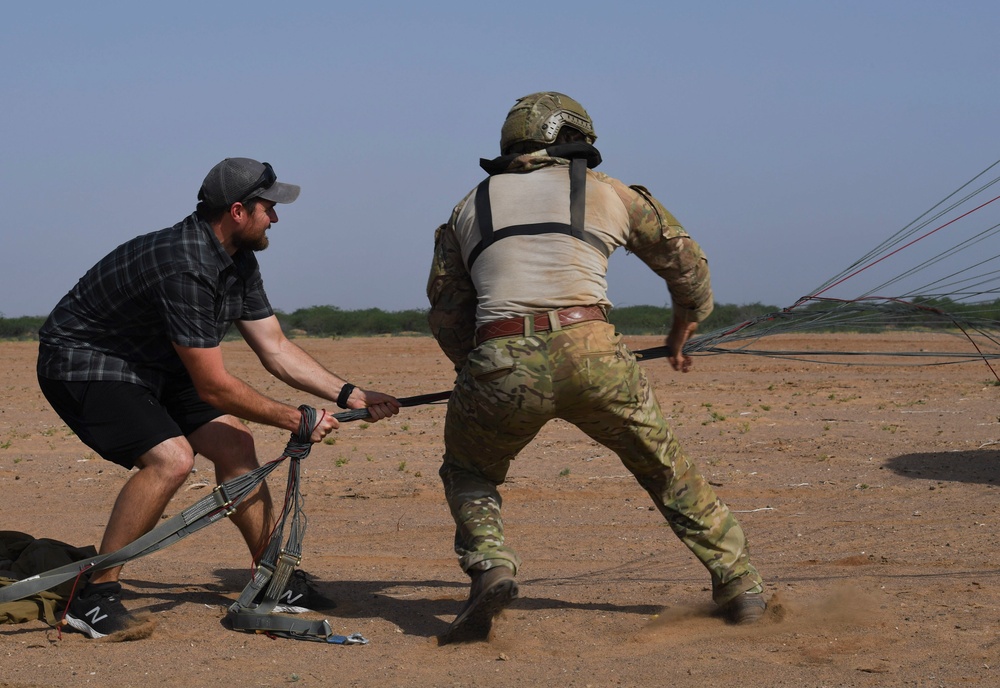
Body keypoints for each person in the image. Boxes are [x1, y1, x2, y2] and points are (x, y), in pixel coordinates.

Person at [426, 92, 767, 643]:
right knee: (664, 470)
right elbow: (687, 264)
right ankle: (740, 586)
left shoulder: (468, 206)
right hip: (595, 352)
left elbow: (445, 311)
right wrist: (682, 329)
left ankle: (491, 564)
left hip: (499, 353)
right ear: (574, 139)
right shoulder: (612, 194)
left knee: (470, 472)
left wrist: (479, 372)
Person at [36, 157, 401, 639]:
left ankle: (276, 580)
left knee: (235, 444)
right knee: (171, 459)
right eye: (269, 207)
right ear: (236, 210)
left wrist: (350, 393)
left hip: (156, 365)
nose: (276, 217)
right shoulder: (184, 263)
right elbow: (212, 385)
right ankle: (95, 596)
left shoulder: (239, 261)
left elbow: (275, 347)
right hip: (85, 362)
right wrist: (296, 418)